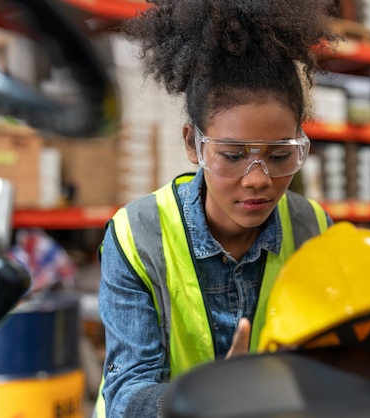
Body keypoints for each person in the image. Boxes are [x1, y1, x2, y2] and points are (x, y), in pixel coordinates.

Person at [94, 1, 338, 416]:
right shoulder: (136, 237)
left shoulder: (314, 229)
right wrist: (209, 400)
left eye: (279, 156)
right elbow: (126, 394)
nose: (258, 179)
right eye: (233, 155)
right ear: (194, 145)